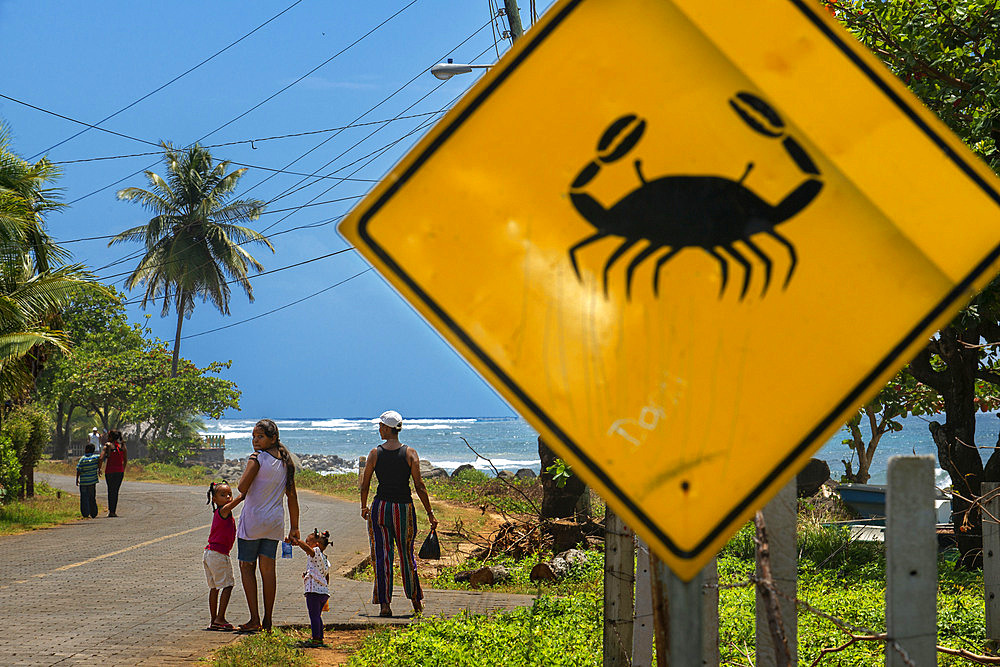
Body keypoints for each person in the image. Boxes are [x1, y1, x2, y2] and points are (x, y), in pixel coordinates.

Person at [359, 410, 437, 617]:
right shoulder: (410, 453)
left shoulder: (375, 453)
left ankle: (385, 605)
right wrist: (429, 512)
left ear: (387, 428)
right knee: (406, 555)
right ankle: (415, 602)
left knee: (382, 556)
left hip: (380, 508)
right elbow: (419, 485)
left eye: (380, 426)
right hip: (403, 509)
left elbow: (365, 483)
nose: (379, 429)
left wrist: (363, 506)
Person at [235, 419, 299, 633]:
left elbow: (242, 486)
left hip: (253, 522)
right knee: (268, 571)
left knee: (246, 567)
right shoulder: (285, 461)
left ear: (273, 438)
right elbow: (292, 496)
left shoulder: (258, 459)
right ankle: (268, 620)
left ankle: (255, 619)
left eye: (260, 437)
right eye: (253, 437)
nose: (255, 441)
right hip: (274, 523)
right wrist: (295, 527)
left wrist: (252, 460)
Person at [204, 481, 244, 631]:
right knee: (228, 585)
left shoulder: (219, 512)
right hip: (219, 554)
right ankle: (220, 618)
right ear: (214, 499)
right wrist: (243, 495)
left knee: (214, 588)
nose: (227, 497)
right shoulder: (224, 511)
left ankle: (214, 620)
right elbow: (233, 504)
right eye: (223, 495)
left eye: (229, 494)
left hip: (209, 553)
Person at [287, 529, 330, 646]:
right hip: (323, 592)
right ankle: (319, 638)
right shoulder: (325, 558)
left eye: (307, 542)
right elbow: (326, 576)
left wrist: (298, 541)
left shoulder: (315, 551)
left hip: (314, 592)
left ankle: (316, 638)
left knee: (314, 616)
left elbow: (308, 549)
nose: (306, 544)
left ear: (316, 545)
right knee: (317, 616)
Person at [99, 429, 127, 517]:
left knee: (110, 490)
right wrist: (122, 469)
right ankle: (113, 511)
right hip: (119, 472)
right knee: (116, 491)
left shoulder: (107, 446)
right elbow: (125, 460)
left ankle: (111, 511)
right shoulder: (122, 446)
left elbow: (100, 458)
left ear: (110, 437)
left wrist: (99, 468)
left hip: (110, 471)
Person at [75, 444, 100, 518]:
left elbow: (79, 469)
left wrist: (77, 479)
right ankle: (94, 513)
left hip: (83, 482)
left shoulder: (82, 459)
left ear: (87, 450)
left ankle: (85, 513)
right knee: (92, 497)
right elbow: (102, 458)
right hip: (92, 481)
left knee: (84, 497)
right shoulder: (96, 458)